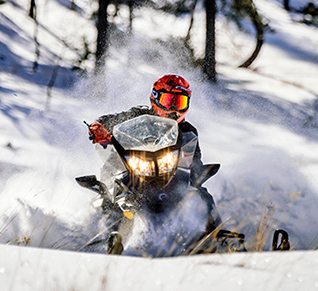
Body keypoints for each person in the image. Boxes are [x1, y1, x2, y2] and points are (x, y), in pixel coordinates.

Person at [88, 74, 222, 230]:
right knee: (114, 188)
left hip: (171, 178)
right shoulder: (138, 116)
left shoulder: (187, 131)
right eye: (169, 101)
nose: (173, 109)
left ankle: (217, 235)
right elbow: (111, 120)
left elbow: (195, 160)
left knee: (201, 194)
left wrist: (197, 171)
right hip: (134, 170)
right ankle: (103, 230)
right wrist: (99, 126)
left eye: (180, 102)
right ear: (156, 98)